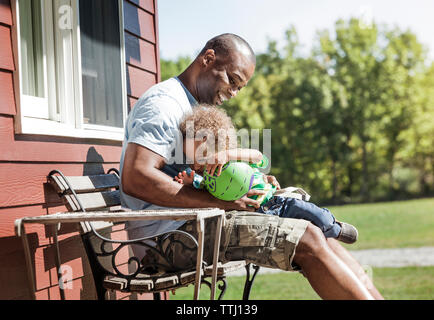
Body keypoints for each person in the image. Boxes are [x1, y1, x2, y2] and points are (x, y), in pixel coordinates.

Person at [120, 33, 384, 299]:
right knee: (306, 240)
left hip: (195, 223)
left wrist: (249, 181)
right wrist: (224, 203)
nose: (233, 93)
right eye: (232, 81)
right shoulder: (164, 104)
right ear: (208, 58)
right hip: (166, 241)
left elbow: (211, 172)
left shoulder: (192, 107)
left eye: (239, 87)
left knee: (316, 230)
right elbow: (137, 178)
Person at [174, 105, 359, 244]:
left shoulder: (237, 158)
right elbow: (204, 189)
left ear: (214, 143)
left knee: (310, 212)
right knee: (297, 236)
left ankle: (334, 228)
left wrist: (228, 155)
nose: (194, 164)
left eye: (199, 156)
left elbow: (260, 157)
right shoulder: (206, 177)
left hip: (275, 202)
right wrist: (190, 181)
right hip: (255, 216)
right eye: (190, 159)